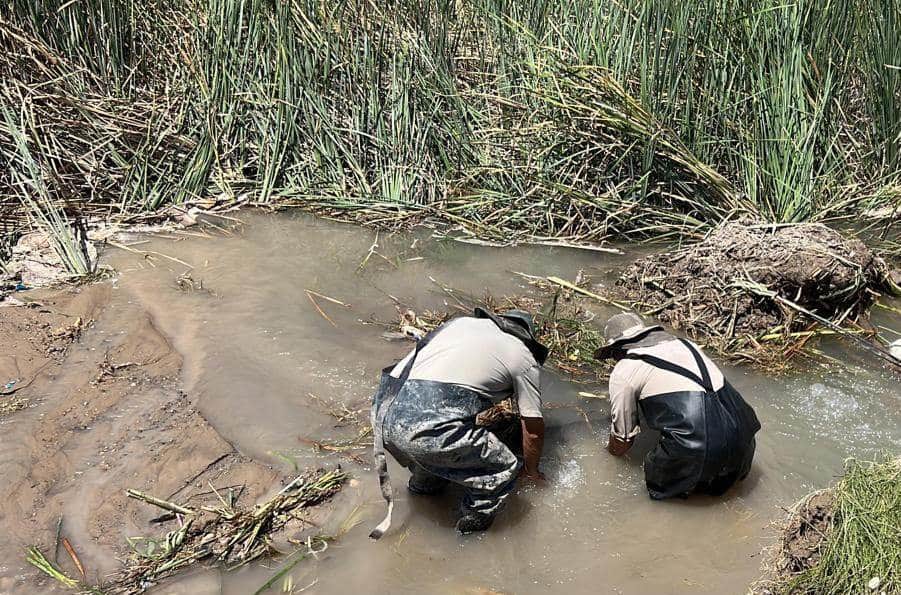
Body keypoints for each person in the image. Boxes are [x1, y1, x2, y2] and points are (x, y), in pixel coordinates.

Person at [370, 307, 548, 538]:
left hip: (383, 413)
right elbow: (533, 427)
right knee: (502, 467)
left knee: (431, 451)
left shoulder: (460, 324)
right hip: (425, 425)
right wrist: (531, 471)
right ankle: (469, 537)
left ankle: (424, 490)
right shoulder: (522, 355)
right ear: (526, 336)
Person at [594, 312, 760, 500]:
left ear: (616, 350)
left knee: (661, 498)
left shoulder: (625, 369)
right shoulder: (688, 345)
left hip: (697, 448)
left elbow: (623, 440)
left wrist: (606, 455)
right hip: (745, 439)